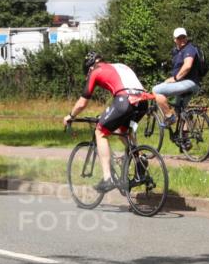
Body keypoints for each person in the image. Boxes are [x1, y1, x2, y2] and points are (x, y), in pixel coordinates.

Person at [63, 52, 150, 193]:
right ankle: (139, 159)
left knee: (100, 132)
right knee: (123, 131)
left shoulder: (95, 71)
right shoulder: (120, 65)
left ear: (90, 68)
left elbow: (82, 102)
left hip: (125, 99)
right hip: (143, 101)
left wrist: (71, 115)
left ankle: (107, 178)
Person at [152, 27, 202, 126]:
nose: (182, 40)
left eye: (183, 37)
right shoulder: (176, 51)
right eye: (179, 38)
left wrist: (175, 79)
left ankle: (169, 117)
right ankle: (185, 138)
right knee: (180, 110)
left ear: (186, 37)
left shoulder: (189, 49)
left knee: (156, 90)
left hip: (189, 82)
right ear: (175, 40)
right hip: (188, 83)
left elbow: (187, 66)